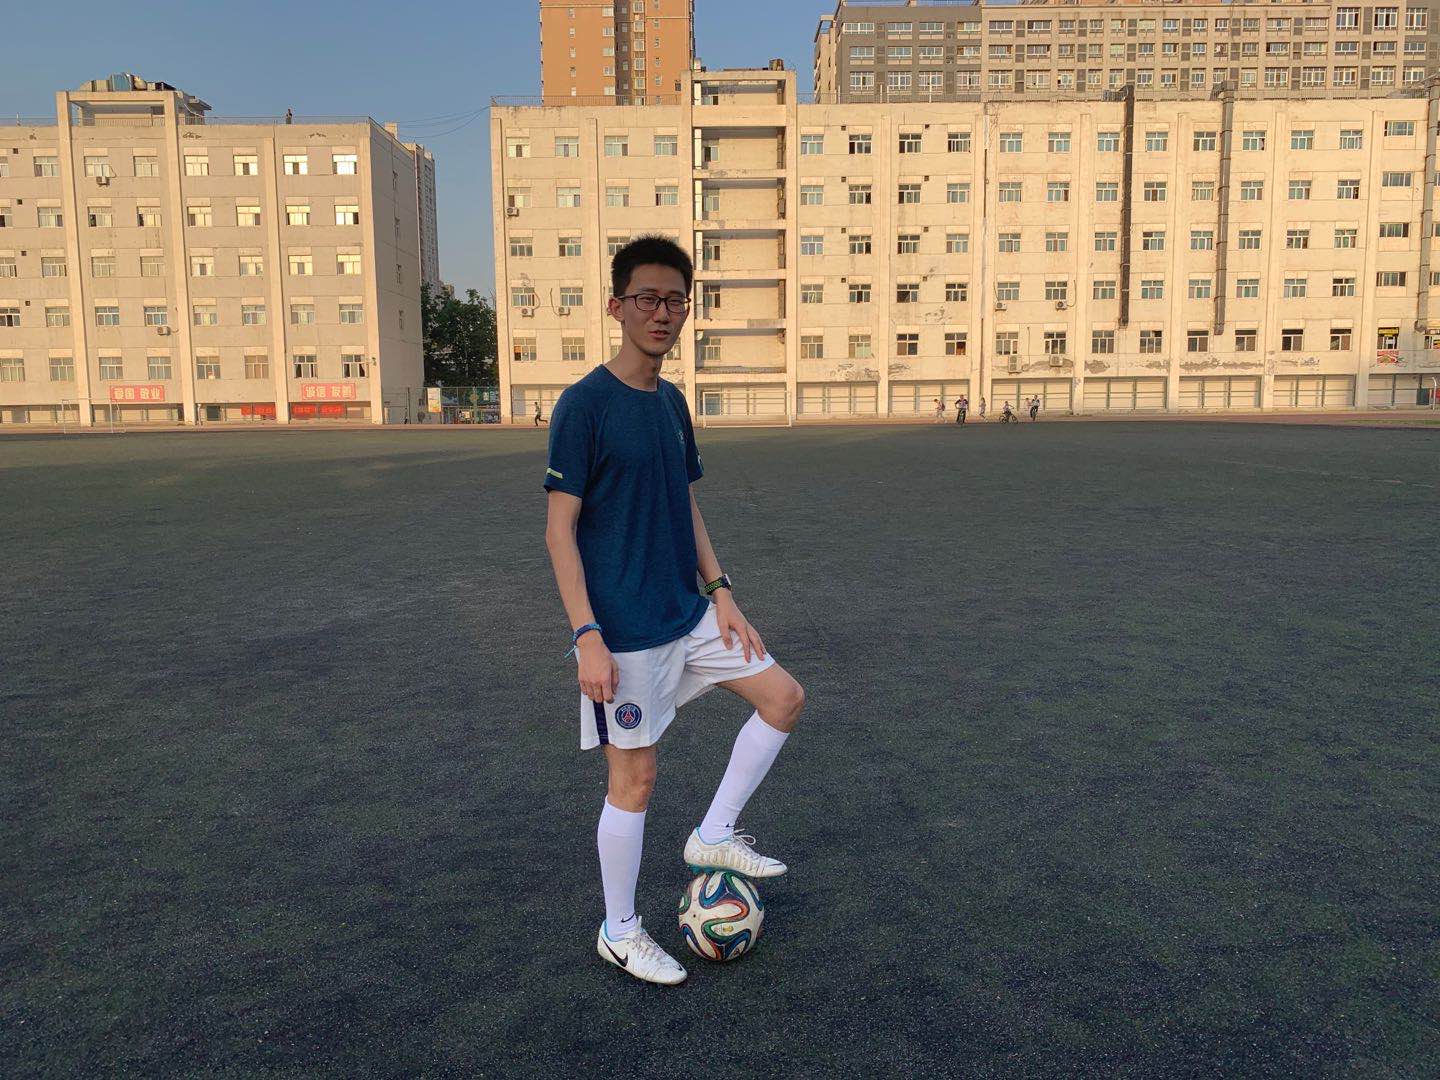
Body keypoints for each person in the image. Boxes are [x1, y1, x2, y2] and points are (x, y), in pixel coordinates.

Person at [543, 235, 805, 987]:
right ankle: (620, 931)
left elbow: (683, 503)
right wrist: (586, 636)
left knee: (784, 697)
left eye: (675, 301)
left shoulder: (672, 403)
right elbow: (559, 530)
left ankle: (714, 832)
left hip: (688, 614)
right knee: (635, 782)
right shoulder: (584, 405)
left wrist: (722, 593)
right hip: (622, 632)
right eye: (647, 299)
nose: (662, 313)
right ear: (617, 306)